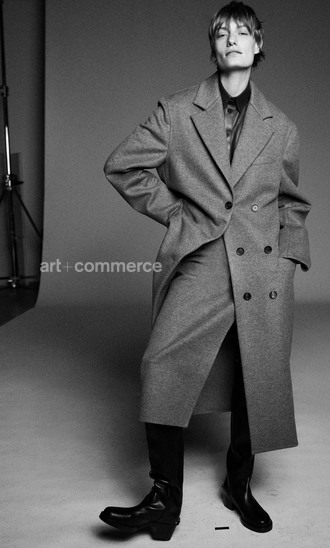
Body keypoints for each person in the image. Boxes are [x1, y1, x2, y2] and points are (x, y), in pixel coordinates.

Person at [99, 1, 311, 541]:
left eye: (243, 32)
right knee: (161, 363)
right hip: (205, 259)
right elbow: (122, 165)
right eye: (221, 33)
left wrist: (289, 260)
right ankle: (163, 498)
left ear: (259, 45)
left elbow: (292, 203)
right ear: (213, 47)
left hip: (263, 270)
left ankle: (239, 485)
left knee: (253, 377)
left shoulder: (282, 127)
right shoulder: (176, 111)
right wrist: (178, 215)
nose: (232, 39)